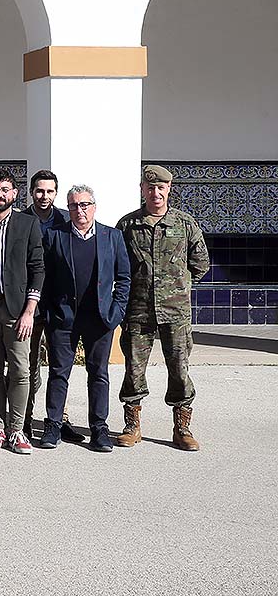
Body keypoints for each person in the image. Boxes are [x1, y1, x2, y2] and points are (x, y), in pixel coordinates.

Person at [114, 164, 210, 451]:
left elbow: (201, 263)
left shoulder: (185, 223)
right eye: (150, 187)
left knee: (179, 369)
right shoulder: (128, 226)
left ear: (169, 189)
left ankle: (182, 428)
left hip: (175, 311)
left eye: (161, 187)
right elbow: (119, 265)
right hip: (138, 310)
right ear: (142, 190)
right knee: (133, 369)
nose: (155, 192)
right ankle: (132, 426)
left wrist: (178, 285)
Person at [40, 185, 131, 452]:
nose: (79, 210)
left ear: (94, 206)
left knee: (99, 374)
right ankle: (54, 424)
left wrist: (116, 312)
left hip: (100, 319)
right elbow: (44, 277)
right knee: (58, 373)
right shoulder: (55, 236)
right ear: (67, 208)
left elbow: (124, 278)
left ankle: (99, 428)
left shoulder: (112, 237)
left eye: (84, 205)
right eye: (73, 206)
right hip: (63, 319)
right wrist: (47, 312)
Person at [0, 169, 44, 456]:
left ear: (14, 193)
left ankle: (17, 430)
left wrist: (29, 311)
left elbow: (38, 269)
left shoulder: (28, 225)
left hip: (17, 310)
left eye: (5, 189)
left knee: (20, 370)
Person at [22, 169, 83, 443]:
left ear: (55, 193)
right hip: (29, 305)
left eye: (49, 191)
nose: (43, 196)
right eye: (39, 190)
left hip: (59, 304)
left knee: (60, 366)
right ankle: (23, 420)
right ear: (31, 192)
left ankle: (59, 420)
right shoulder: (20, 220)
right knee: (27, 365)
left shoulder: (65, 219)